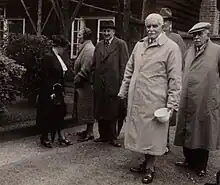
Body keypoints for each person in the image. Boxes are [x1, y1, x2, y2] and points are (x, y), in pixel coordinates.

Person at [118, 13, 182, 184]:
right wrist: (123, 91)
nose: (151, 29)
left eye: (155, 26)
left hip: (156, 100)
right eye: (148, 26)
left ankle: (150, 168)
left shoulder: (171, 47)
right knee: (141, 134)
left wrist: (172, 104)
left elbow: (175, 78)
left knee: (153, 135)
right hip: (138, 98)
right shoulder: (139, 46)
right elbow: (129, 69)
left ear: (162, 27)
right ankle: (144, 162)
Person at [174, 22, 220, 177]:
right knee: (187, 129)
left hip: (205, 99)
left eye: (200, 34)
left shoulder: (217, 51)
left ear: (208, 34)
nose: (196, 38)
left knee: (202, 131)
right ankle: (188, 160)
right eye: (194, 35)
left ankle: (201, 165)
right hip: (188, 98)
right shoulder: (189, 51)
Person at [91, 21, 129, 147]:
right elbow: (93, 64)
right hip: (99, 83)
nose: (106, 33)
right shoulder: (99, 45)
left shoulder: (120, 44)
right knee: (101, 110)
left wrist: (123, 84)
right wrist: (93, 79)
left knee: (113, 111)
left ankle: (113, 137)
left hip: (113, 83)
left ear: (113, 32)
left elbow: (124, 65)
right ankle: (103, 135)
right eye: (104, 31)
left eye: (109, 31)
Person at [36, 35, 72, 148]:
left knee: (60, 113)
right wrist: (50, 92)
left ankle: (61, 136)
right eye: (64, 48)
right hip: (49, 91)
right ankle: (45, 137)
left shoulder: (57, 56)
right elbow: (45, 76)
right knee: (47, 114)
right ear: (60, 47)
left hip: (58, 90)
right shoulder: (48, 57)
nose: (64, 50)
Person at [160, 7, 186, 153]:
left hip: (169, 82)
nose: (163, 23)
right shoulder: (154, 37)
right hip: (156, 82)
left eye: (166, 20)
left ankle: (166, 142)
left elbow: (181, 63)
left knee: (167, 112)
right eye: (162, 20)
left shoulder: (176, 39)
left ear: (170, 23)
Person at [73, 27, 95, 142]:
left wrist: (76, 79)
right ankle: (87, 130)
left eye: (80, 35)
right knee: (85, 107)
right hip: (83, 85)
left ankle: (90, 132)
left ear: (85, 36)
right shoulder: (85, 48)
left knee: (88, 108)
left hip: (87, 85)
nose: (78, 37)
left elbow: (86, 69)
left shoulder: (89, 50)